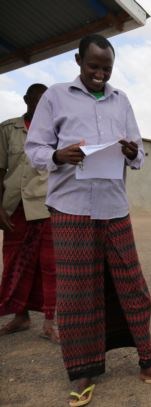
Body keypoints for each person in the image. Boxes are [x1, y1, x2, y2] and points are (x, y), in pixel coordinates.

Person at [25, 34, 151, 407]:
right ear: (79, 61)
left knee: (133, 285)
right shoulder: (55, 97)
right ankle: (83, 371)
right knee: (78, 293)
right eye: (93, 66)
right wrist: (59, 155)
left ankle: (147, 363)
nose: (99, 74)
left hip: (114, 207)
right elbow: (35, 149)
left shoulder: (121, 99)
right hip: (71, 208)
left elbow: (140, 152)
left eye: (106, 68)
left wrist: (131, 151)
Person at [0, 83, 59, 343]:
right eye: (35, 100)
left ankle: (49, 322)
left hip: (44, 207)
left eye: (45, 100)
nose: (40, 105)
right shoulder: (7, 129)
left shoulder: (56, 131)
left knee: (49, 266)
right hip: (14, 207)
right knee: (14, 263)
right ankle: (21, 316)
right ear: (25, 100)